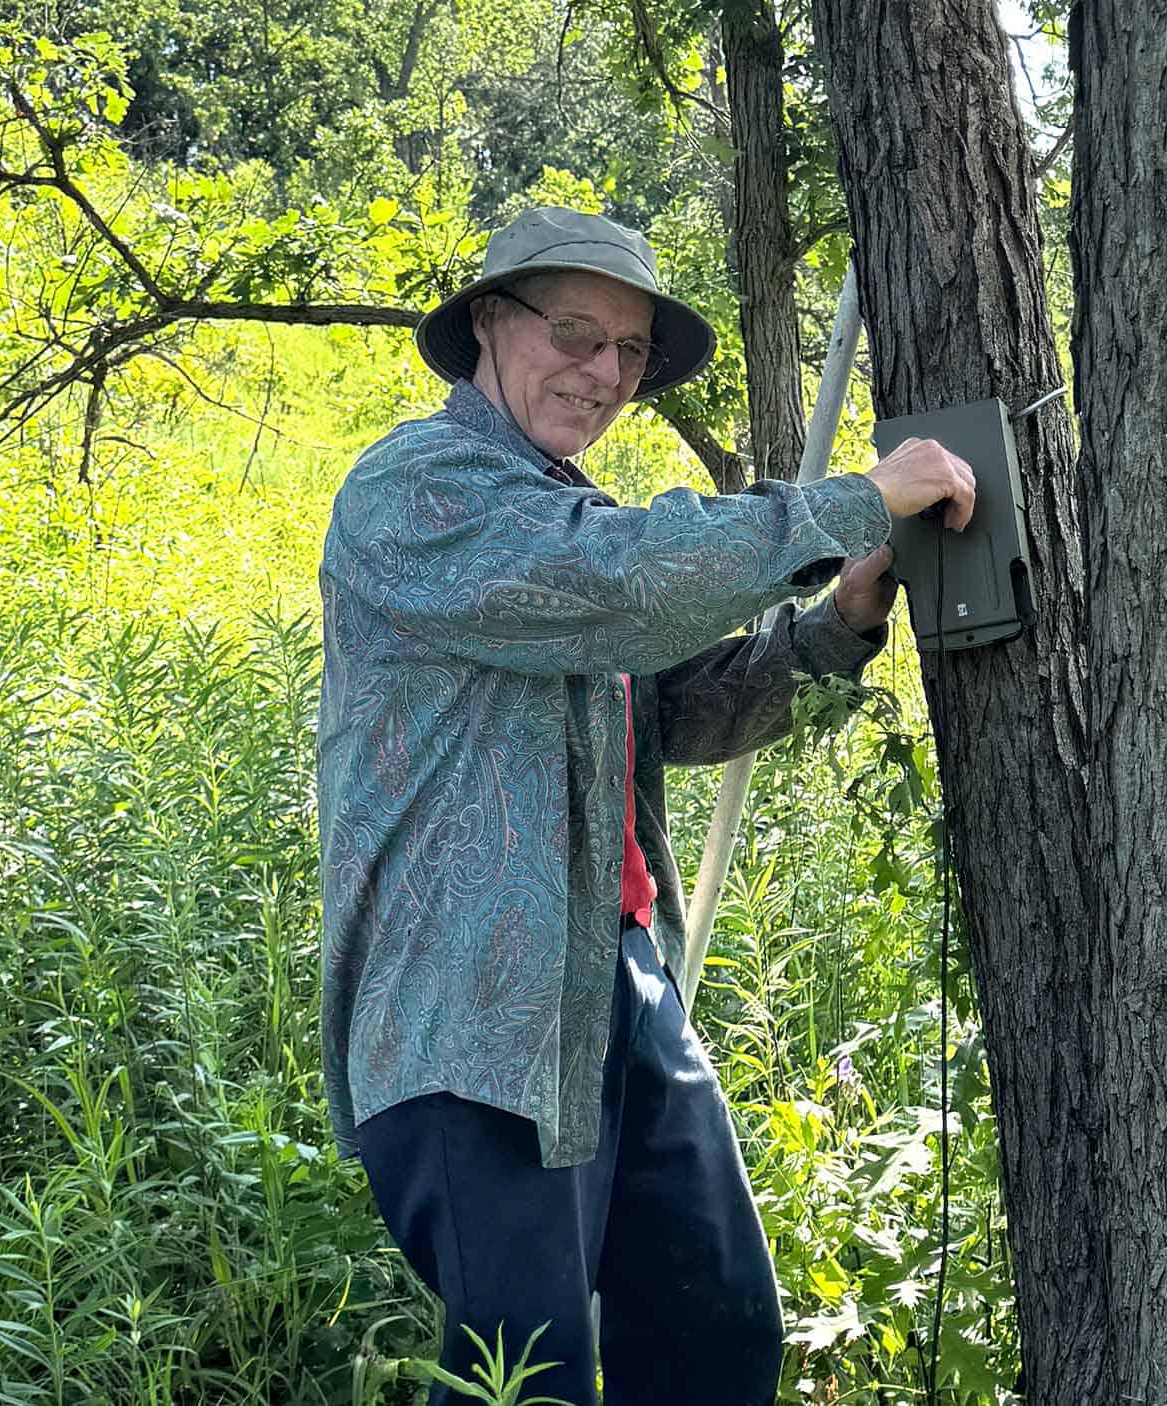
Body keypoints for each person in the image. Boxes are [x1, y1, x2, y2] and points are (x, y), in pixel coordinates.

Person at [316, 206, 975, 1404]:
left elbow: (675, 710)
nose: (605, 371)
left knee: (716, 1334)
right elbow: (623, 584)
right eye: (576, 333)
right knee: (528, 1374)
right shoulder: (418, 487)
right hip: (472, 1016)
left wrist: (843, 620)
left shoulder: (572, 517)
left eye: (629, 350)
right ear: (489, 321)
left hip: (618, 981)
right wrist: (853, 502)